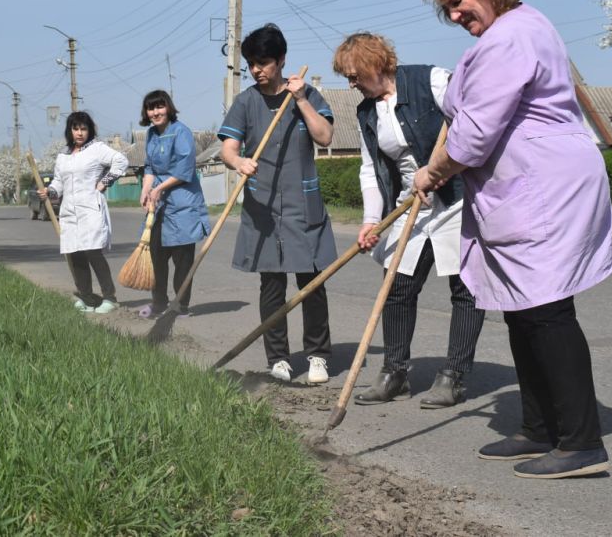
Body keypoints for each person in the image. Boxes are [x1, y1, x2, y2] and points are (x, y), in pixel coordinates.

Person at [413, 0, 612, 479]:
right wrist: (435, 167)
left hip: (543, 187)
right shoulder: (516, 28)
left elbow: (474, 138)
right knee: (525, 309)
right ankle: (539, 429)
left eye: (457, 2)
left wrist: (432, 175)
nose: (455, 16)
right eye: (448, 10)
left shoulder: (509, 37)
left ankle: (581, 441)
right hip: (525, 187)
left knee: (547, 309)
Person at [331, 32, 486, 409]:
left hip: (456, 198)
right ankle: (394, 373)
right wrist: (371, 220)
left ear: (375, 64)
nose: (351, 84)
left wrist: (440, 169)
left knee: (464, 289)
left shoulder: (431, 81)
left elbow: (471, 118)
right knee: (397, 286)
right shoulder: (367, 111)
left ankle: (454, 376)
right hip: (409, 203)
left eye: (354, 75)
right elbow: (370, 170)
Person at [218, 23, 337, 384]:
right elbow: (228, 148)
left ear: (281, 60)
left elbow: (325, 135)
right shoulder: (246, 102)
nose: (257, 70)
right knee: (271, 285)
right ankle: (279, 357)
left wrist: (300, 100)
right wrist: (239, 163)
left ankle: (318, 355)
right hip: (263, 206)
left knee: (312, 283)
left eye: (264, 62)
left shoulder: (307, 94)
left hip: (304, 205)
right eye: (251, 63)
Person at [40, 111, 129, 314]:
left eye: (83, 128)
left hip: (90, 208)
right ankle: (87, 297)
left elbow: (121, 161)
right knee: (74, 253)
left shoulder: (97, 149)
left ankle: (109, 298)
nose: (80, 133)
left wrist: (104, 182)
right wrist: (49, 191)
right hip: (69, 211)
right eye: (76, 128)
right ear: (69, 130)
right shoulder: (63, 155)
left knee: (92, 251)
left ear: (89, 130)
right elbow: (58, 182)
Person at [138, 90, 211, 318]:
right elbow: (149, 167)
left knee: (182, 259)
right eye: (151, 108)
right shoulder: (150, 134)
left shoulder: (181, 132)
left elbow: (184, 169)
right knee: (156, 255)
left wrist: (158, 188)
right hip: (158, 204)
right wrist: (145, 189)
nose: (155, 112)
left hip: (182, 203)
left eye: (160, 107)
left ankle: (181, 305)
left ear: (168, 108)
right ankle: (159, 303)